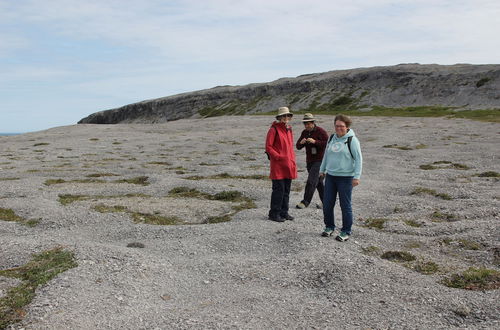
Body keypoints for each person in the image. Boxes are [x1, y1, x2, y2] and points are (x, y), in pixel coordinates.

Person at [319, 114, 362, 241]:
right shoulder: (332, 137)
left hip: (346, 178)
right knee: (327, 204)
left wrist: (357, 177)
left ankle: (346, 231)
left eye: (342, 126)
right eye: (337, 126)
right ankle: (329, 227)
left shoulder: (352, 140)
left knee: (345, 205)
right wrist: (322, 169)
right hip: (331, 176)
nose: (339, 128)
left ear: (347, 127)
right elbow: (326, 155)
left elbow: (359, 159)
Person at [265, 106, 298, 222]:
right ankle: (274, 213)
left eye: (287, 116)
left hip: (288, 164)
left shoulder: (289, 129)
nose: (285, 118)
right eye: (283, 116)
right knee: (279, 190)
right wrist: (278, 157)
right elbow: (268, 147)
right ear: (279, 117)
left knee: (286, 190)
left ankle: (284, 212)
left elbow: (290, 147)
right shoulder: (273, 129)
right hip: (278, 165)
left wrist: (292, 160)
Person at [295, 113, 329, 209]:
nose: (306, 126)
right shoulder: (304, 132)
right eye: (305, 124)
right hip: (309, 161)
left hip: (320, 161)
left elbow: (328, 144)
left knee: (311, 181)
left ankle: (305, 202)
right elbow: (298, 146)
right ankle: (327, 202)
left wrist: (315, 142)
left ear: (313, 123)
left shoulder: (320, 131)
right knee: (318, 183)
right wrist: (301, 143)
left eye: (308, 123)